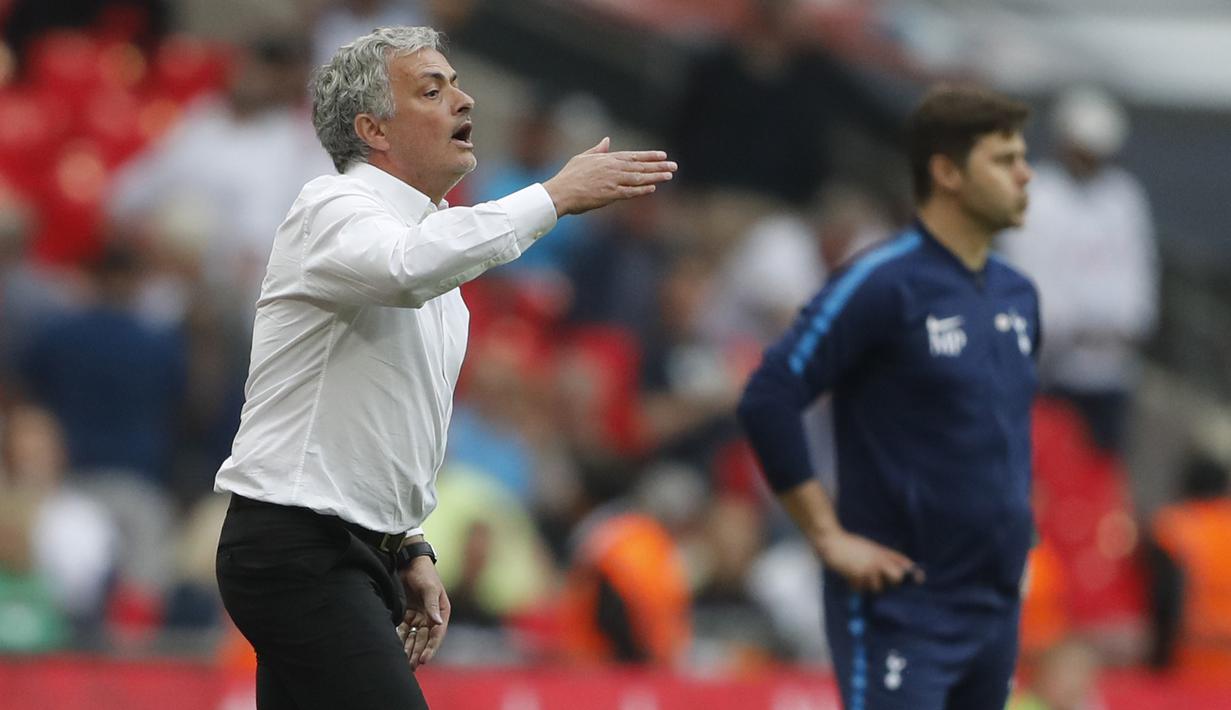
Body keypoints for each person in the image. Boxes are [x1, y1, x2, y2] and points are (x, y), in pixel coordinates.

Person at [212, 26, 676, 710]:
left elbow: (401, 418)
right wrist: (553, 196)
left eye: (457, 83)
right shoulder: (332, 206)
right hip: (295, 546)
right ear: (373, 128)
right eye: (433, 89)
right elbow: (404, 269)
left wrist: (409, 545)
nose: (464, 100)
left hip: (353, 551)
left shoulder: (435, 248)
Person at [738, 85, 1038, 710]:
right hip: (903, 604)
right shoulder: (882, 281)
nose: (1025, 175)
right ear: (947, 172)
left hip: (994, 606)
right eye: (1004, 160)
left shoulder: (1018, 294)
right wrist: (825, 535)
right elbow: (770, 394)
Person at [998, 86, 1157, 455]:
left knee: (1097, 479)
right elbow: (1033, 283)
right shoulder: (1036, 195)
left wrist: (1119, 325)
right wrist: (1074, 326)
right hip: (1049, 374)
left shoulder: (1123, 198)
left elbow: (1137, 285)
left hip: (1109, 373)